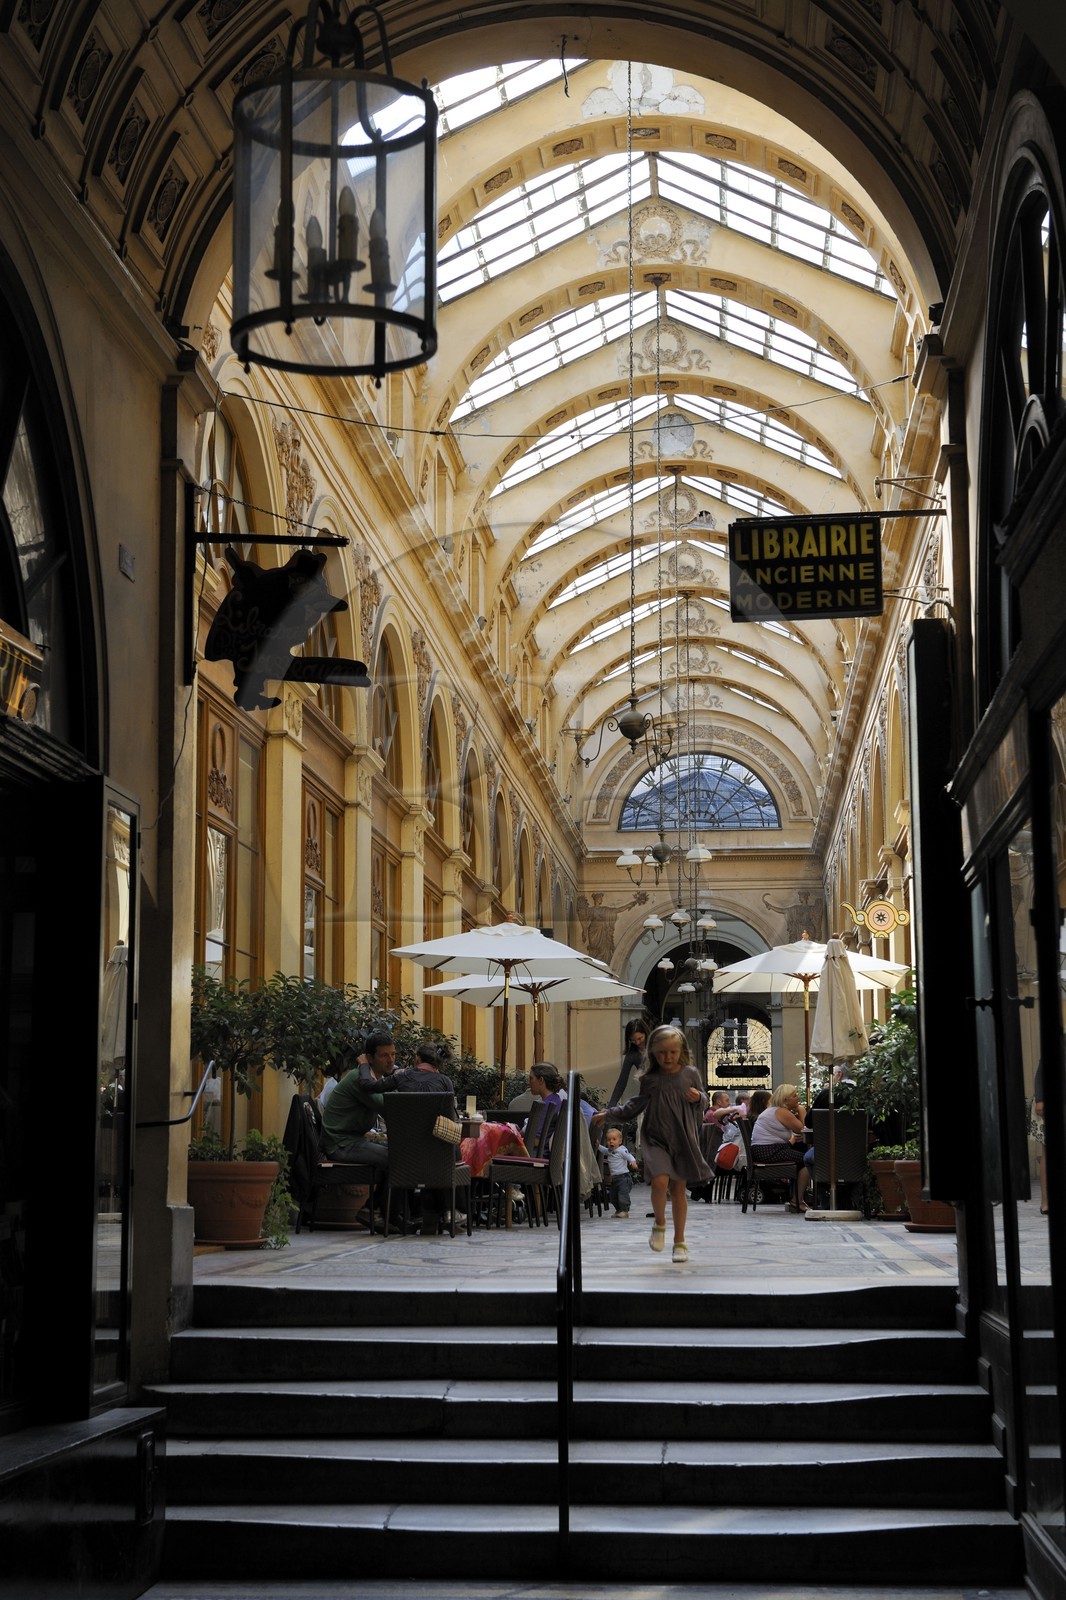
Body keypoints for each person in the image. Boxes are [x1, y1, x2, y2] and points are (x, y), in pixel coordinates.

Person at [592, 1023, 709, 1263]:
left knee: (678, 1190)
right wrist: (610, 1113)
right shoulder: (650, 1078)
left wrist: (699, 1098)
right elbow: (635, 1104)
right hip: (655, 1137)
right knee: (659, 1182)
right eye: (663, 1052)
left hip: (682, 1138)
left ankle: (680, 1241)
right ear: (654, 1052)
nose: (668, 1057)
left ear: (681, 1051)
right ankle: (660, 1222)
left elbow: (704, 1100)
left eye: (673, 1052)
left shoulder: (690, 1073)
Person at [750, 1082, 811, 1211]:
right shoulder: (782, 1112)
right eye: (794, 1095)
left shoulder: (774, 1110)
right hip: (769, 1151)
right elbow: (804, 1130)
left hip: (763, 1150)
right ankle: (797, 1201)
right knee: (808, 1160)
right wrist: (801, 1110)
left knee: (802, 1157)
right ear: (785, 1100)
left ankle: (796, 1198)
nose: (797, 1097)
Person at [598, 1126, 638, 1217]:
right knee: (613, 1196)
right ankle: (618, 1210)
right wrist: (598, 1145)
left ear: (619, 1141)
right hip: (614, 1178)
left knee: (622, 1195)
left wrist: (633, 1162)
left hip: (623, 1178)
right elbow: (604, 1150)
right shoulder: (609, 1151)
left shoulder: (622, 1150)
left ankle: (624, 1210)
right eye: (608, 1140)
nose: (611, 1141)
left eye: (614, 1139)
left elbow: (629, 1156)